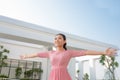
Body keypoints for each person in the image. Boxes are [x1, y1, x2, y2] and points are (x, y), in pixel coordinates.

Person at [20, 33, 117, 80]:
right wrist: (26, 56)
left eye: (59, 38)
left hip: (64, 76)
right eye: (55, 39)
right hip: (53, 76)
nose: (56, 40)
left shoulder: (69, 52)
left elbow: (85, 52)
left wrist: (103, 53)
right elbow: (37, 54)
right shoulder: (50, 53)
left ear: (64, 41)